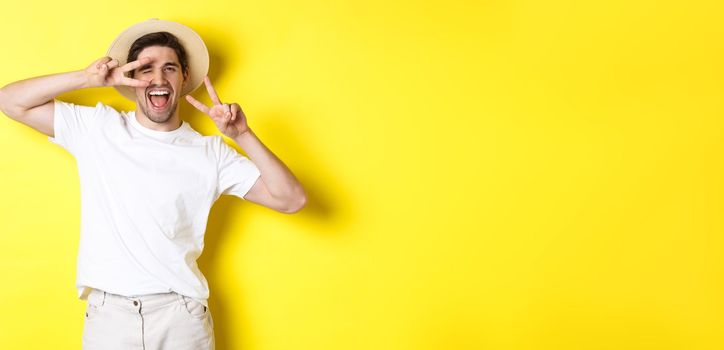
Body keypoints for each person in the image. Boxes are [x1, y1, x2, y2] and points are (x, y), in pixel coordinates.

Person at [0, 19, 306, 350]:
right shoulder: (97, 128)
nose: (158, 78)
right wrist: (87, 78)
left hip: (181, 318)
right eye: (146, 69)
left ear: (184, 77)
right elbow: (10, 101)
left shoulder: (210, 152)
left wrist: (242, 135)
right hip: (109, 319)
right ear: (131, 78)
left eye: (169, 68)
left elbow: (291, 199)